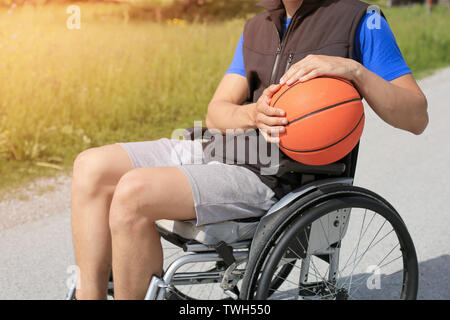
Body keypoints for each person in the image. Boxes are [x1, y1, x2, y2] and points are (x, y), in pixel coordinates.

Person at [70, 0, 428, 300]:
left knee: (133, 193)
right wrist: (252, 114)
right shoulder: (258, 26)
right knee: (91, 166)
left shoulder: (362, 20)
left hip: (279, 175)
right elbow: (217, 111)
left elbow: (416, 117)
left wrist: (353, 71)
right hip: (223, 148)